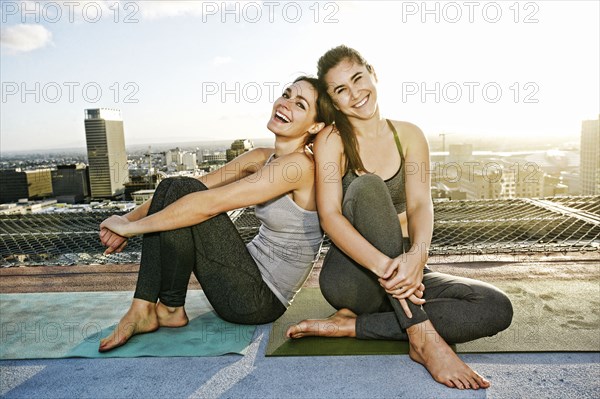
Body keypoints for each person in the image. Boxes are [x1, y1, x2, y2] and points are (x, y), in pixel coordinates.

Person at [286, 46, 513, 390]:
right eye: (340, 90)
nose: (355, 94)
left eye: (358, 79)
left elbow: (421, 204)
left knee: (495, 307)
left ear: (372, 73)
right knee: (368, 188)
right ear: (333, 100)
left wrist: (416, 257)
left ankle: (354, 327)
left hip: (405, 271)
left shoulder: (409, 135)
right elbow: (330, 218)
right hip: (354, 277)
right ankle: (422, 338)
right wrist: (390, 270)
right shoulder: (331, 139)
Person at [97, 76, 335, 352]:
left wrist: (130, 230)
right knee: (175, 185)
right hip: (244, 276)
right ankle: (170, 309)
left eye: (300, 104)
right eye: (286, 94)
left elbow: (208, 204)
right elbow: (193, 187)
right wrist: (126, 220)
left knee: (183, 190)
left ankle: (143, 309)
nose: (285, 103)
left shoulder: (299, 166)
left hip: (258, 300)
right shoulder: (261, 157)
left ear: (316, 126)